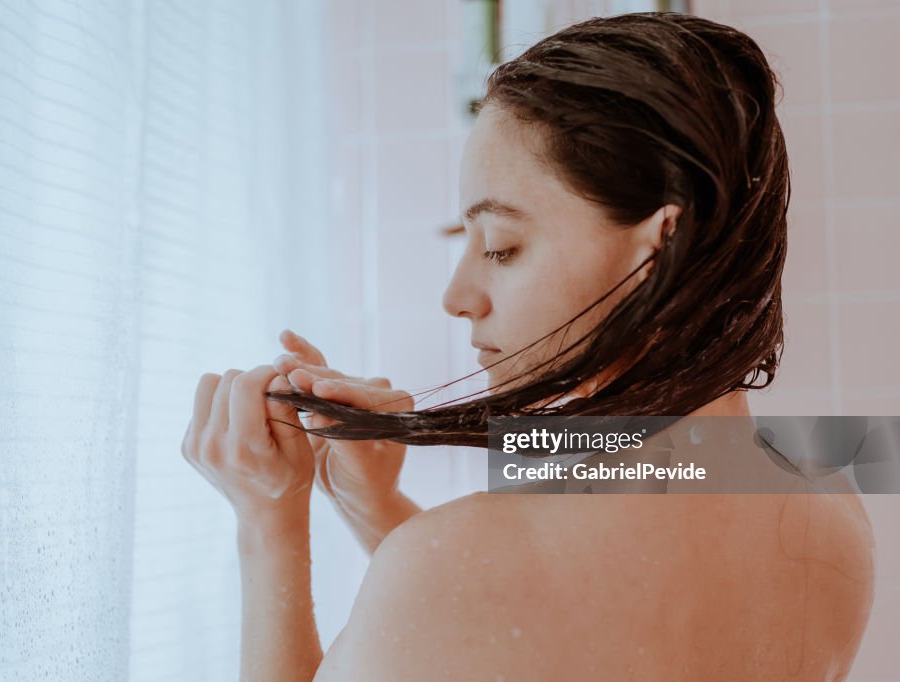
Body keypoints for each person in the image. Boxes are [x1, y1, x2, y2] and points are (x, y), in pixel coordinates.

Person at [180, 12, 875, 681]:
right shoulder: (832, 506)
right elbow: (520, 629)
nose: (456, 296)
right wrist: (375, 508)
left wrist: (268, 523)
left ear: (661, 247)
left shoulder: (455, 562)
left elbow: (500, 608)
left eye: (502, 248)